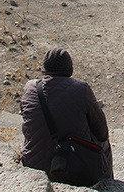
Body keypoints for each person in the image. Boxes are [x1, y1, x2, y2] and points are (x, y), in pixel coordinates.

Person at [20, 47, 113, 183]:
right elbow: (102, 132)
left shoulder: (30, 88)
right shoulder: (82, 89)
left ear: (44, 69)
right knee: (104, 144)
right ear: (70, 69)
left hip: (34, 164)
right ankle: (108, 184)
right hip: (72, 166)